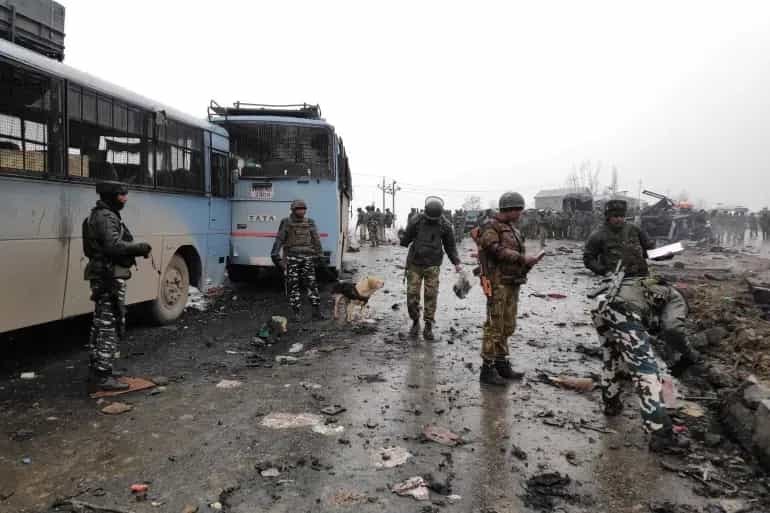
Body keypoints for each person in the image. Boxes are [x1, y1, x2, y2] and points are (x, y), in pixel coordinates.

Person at [583, 199, 695, 452]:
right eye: (614, 216)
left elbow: (651, 251)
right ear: (607, 216)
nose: (618, 219)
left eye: (621, 216)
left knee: (612, 356)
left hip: (605, 304)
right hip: (618, 298)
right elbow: (673, 329)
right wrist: (605, 271)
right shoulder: (670, 297)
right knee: (646, 369)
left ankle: (612, 403)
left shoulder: (634, 231)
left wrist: (667, 252)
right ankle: (660, 434)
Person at [82, 178, 152, 391]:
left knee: (101, 323)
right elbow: (112, 246)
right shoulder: (105, 217)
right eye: (122, 194)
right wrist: (139, 248)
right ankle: (103, 376)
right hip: (108, 277)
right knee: (109, 325)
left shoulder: (103, 215)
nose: (125, 198)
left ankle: (99, 369)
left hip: (105, 275)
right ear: (111, 196)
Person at [475, 192, 543, 385]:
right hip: (497, 283)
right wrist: (522, 258)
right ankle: (487, 369)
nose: (520, 214)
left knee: (507, 325)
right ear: (509, 209)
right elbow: (494, 249)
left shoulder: (513, 229)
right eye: (518, 210)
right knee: (494, 326)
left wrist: (528, 264)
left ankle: (501, 363)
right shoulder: (491, 227)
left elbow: (515, 255)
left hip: (512, 281)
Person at [400, 196, 462, 341]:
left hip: (433, 265)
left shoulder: (445, 225)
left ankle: (428, 325)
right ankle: (415, 321)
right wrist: (403, 237)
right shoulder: (416, 221)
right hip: (415, 264)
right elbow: (405, 240)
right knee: (412, 295)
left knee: (431, 295)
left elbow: (450, 246)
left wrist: (456, 262)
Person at [271, 199, 325, 321]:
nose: (301, 211)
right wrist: (275, 255)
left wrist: (320, 255)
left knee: (312, 284)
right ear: (293, 210)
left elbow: (316, 239)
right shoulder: (286, 222)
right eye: (298, 209)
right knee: (293, 285)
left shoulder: (310, 222)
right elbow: (279, 239)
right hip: (292, 257)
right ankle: (296, 313)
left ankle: (316, 311)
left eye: (303, 209)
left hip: (307, 257)